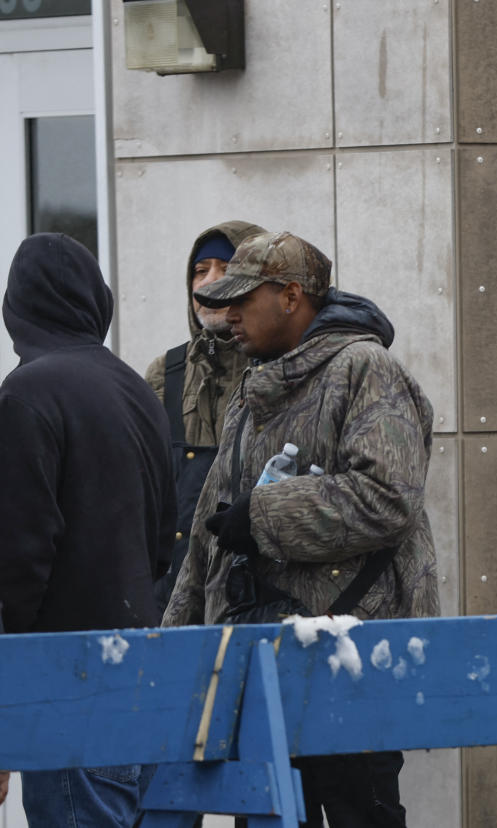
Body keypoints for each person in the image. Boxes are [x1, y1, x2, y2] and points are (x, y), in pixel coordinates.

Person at [161, 230, 440, 827]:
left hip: (350, 669)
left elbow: (388, 497)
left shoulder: (365, 369)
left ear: (291, 296)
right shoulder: (254, 387)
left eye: (243, 299)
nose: (226, 313)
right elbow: (211, 537)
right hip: (260, 667)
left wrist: (262, 518)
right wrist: (174, 645)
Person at [0, 233, 176, 827]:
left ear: (17, 305)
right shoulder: (137, 391)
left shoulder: (27, 394)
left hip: (67, 690)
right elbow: (162, 542)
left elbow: (17, 563)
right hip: (141, 683)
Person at [145, 221, 267, 613]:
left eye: (225, 268)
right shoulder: (165, 373)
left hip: (255, 599)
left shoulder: (279, 371)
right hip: (174, 600)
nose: (209, 282)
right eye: (200, 271)